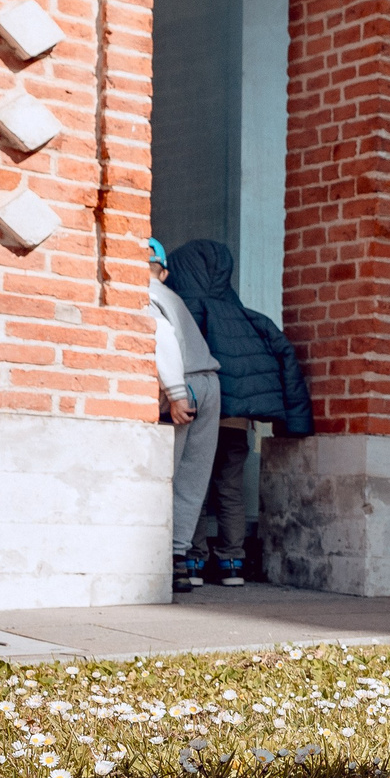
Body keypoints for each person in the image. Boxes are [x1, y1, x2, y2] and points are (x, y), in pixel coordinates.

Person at [164, 239, 314, 586]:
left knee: (192, 485)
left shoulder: (184, 313)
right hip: (237, 422)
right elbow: (286, 361)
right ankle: (232, 561)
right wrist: (294, 420)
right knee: (230, 489)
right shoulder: (247, 317)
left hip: (198, 415)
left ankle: (193, 559)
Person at [146, 238, 221, 593]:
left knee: (169, 478)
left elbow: (163, 341)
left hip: (185, 385)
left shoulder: (144, 293)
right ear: (162, 269)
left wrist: (175, 394)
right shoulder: (170, 294)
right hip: (210, 382)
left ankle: (166, 563)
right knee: (193, 481)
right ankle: (180, 561)